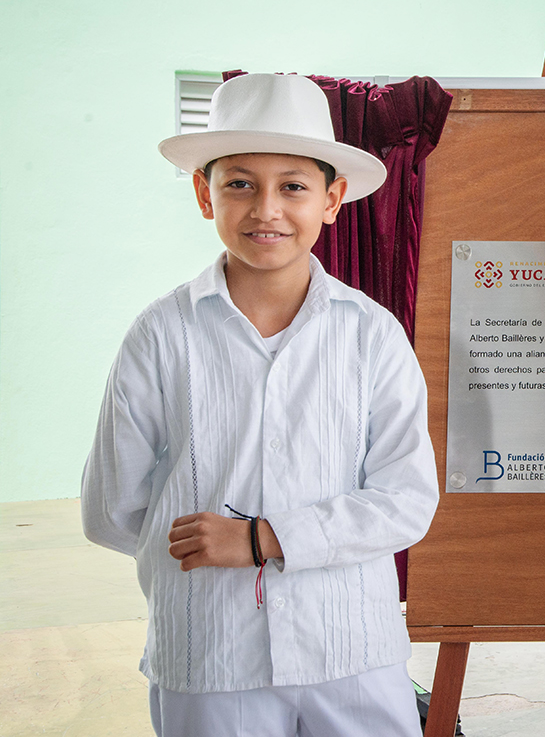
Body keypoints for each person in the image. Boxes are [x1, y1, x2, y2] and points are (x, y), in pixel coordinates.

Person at [81, 72, 438, 737]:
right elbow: (112, 507)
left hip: (352, 651)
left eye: (294, 186)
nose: (266, 208)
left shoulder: (372, 335)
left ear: (333, 199)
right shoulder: (161, 335)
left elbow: (407, 498)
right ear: (202, 192)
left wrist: (259, 538)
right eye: (239, 182)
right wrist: (195, 568)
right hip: (212, 658)